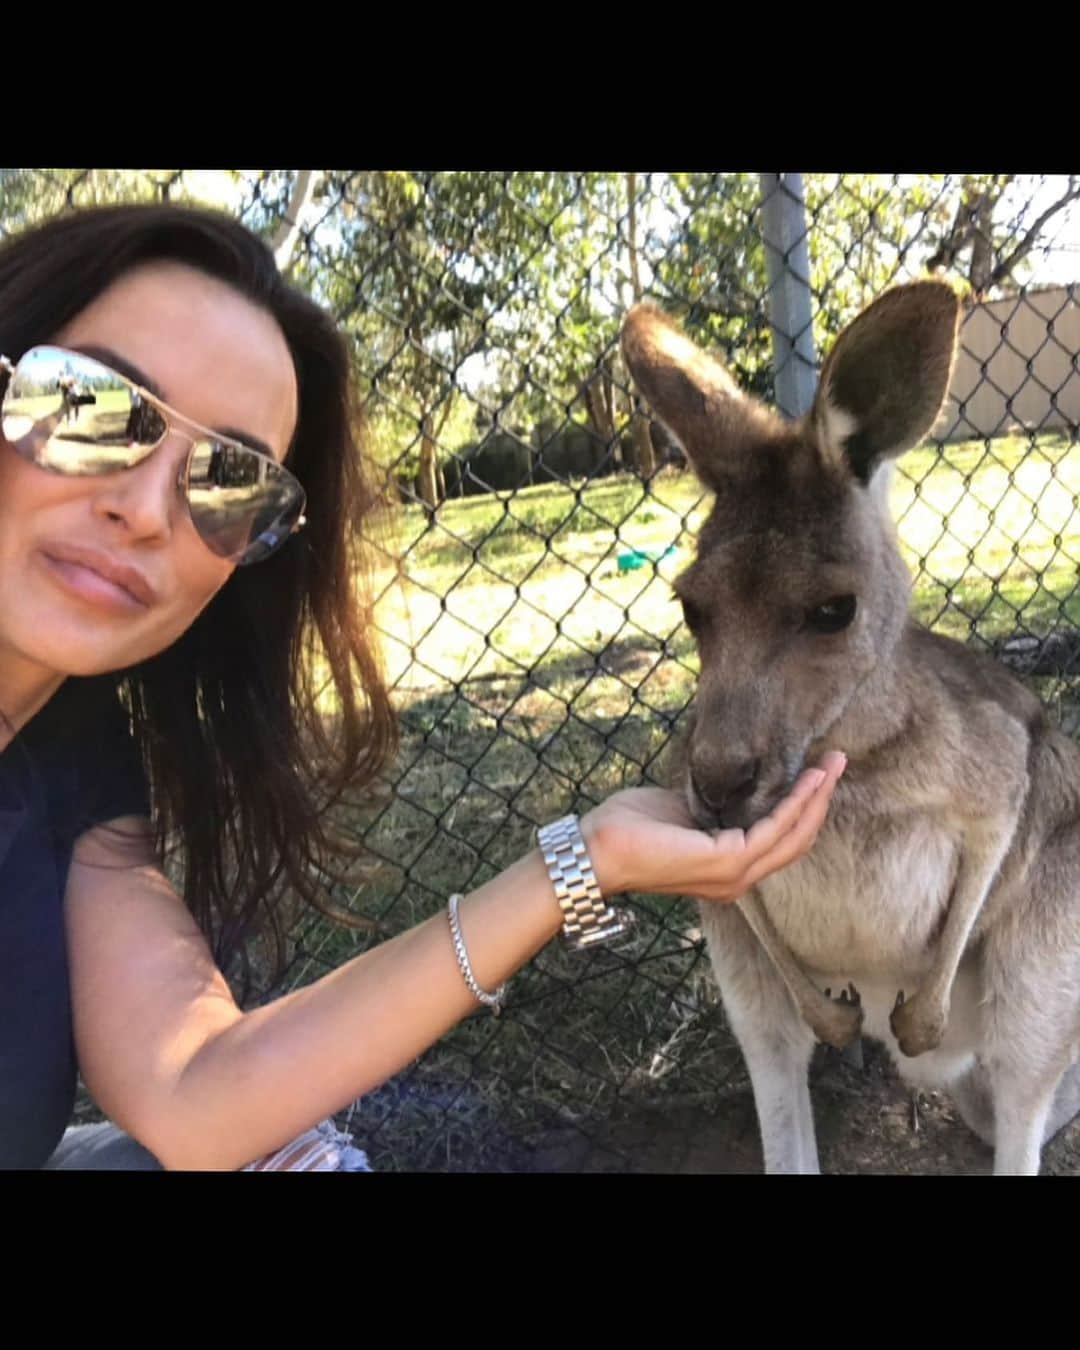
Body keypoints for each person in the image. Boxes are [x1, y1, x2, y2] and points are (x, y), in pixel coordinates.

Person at [0, 201, 846, 1171]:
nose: (149, 510)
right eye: (90, 408)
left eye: (228, 481)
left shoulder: (77, 758)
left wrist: (581, 859)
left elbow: (197, 1090)